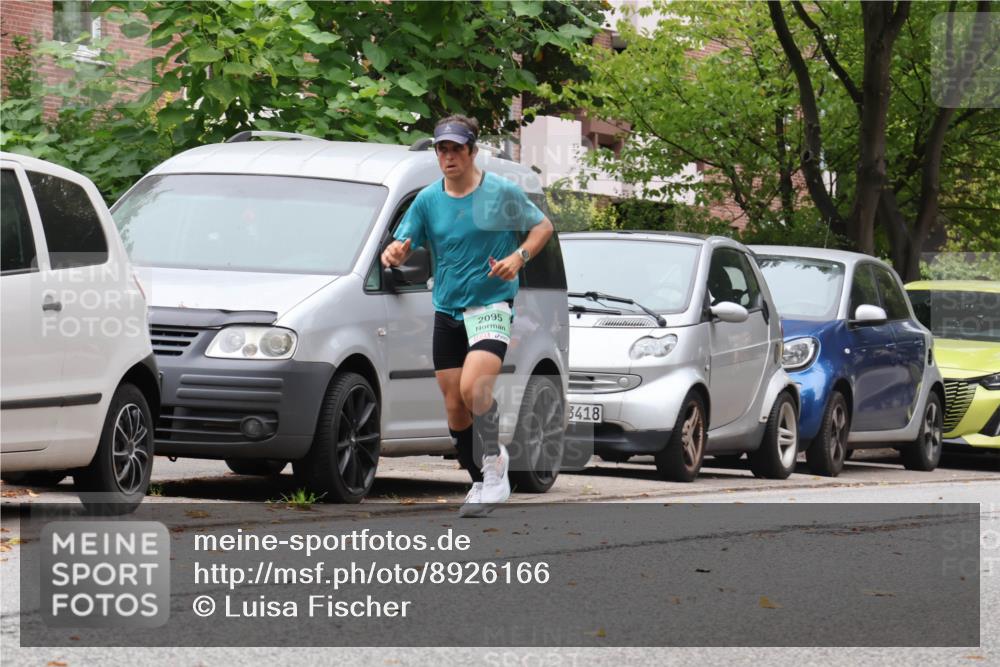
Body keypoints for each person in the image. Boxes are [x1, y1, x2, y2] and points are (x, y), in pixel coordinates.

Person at [381, 115, 554, 517]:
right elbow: (404, 242)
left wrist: (518, 256)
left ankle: (494, 469)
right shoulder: (428, 200)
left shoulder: (501, 193)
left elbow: (542, 227)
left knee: (475, 389)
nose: (449, 156)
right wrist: (394, 253)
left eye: (457, 148)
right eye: (442, 149)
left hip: (491, 306)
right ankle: (480, 478)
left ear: (473, 151)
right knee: (454, 406)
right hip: (447, 309)